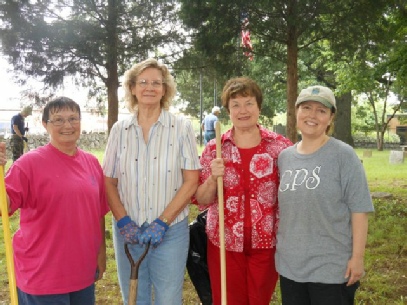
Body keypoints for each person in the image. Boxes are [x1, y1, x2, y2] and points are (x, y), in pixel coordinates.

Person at [103, 58, 201, 305]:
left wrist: (162, 222)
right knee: (135, 298)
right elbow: (109, 181)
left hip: (170, 231)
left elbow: (191, 180)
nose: (149, 87)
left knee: (168, 298)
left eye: (156, 83)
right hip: (129, 230)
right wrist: (123, 220)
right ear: (132, 88)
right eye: (143, 82)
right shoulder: (119, 129)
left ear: (165, 89)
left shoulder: (181, 127)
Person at [0, 97, 109, 304]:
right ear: (45, 125)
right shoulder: (28, 164)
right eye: (58, 120)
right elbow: (3, 206)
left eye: (73, 119)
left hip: (82, 271)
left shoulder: (91, 162)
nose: (67, 125)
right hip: (42, 274)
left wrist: (100, 254)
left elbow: (98, 213)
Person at [193, 77, 292, 305]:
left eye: (248, 103)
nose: (243, 110)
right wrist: (212, 179)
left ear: (259, 106)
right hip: (224, 242)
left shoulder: (280, 147)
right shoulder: (215, 148)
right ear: (228, 110)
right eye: (235, 104)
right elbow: (202, 198)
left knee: (259, 300)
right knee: (228, 300)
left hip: (266, 242)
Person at [276, 85, 375, 305]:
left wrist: (357, 258)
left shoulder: (343, 155)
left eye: (321, 111)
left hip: (331, 268)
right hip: (291, 267)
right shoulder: (284, 158)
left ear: (330, 118)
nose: (312, 115)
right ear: (296, 112)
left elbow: (359, 209)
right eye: (307, 108)